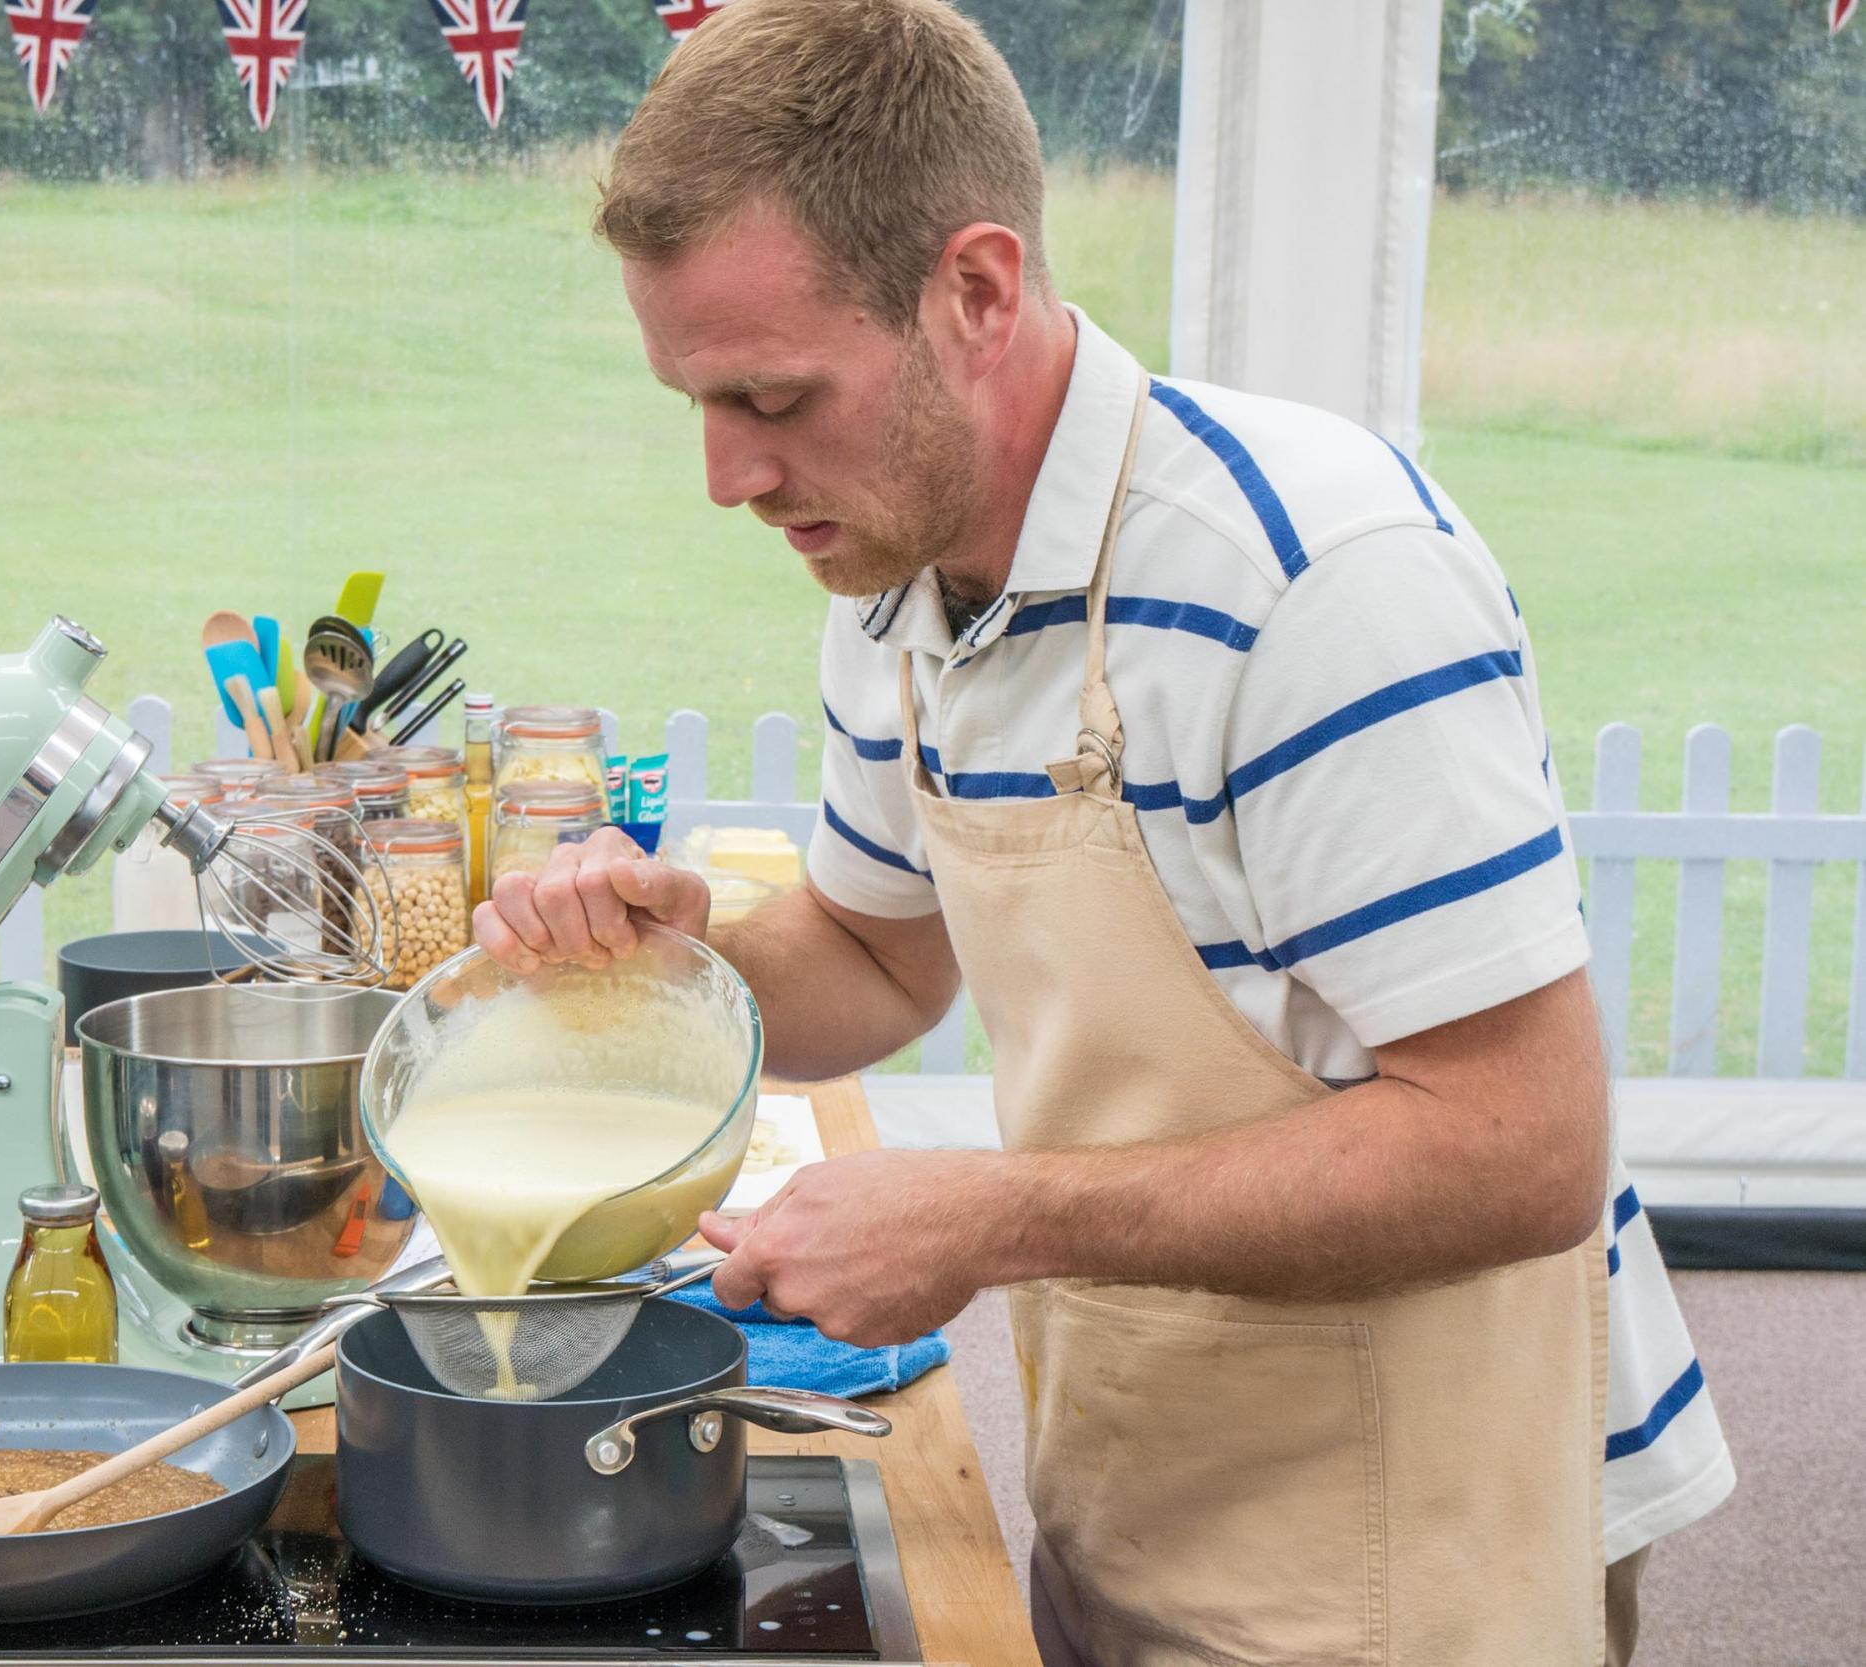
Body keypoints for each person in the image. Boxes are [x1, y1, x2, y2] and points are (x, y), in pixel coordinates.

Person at [471, 1, 1734, 1661]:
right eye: (694, 402)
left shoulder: (1311, 586)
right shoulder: (889, 576)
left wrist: (993, 1214)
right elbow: (873, 957)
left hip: (1423, 1522)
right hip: (1152, 1450)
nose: (727, 474)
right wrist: (672, 961)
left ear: (976, 294)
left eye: (773, 395)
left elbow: (1523, 1144)